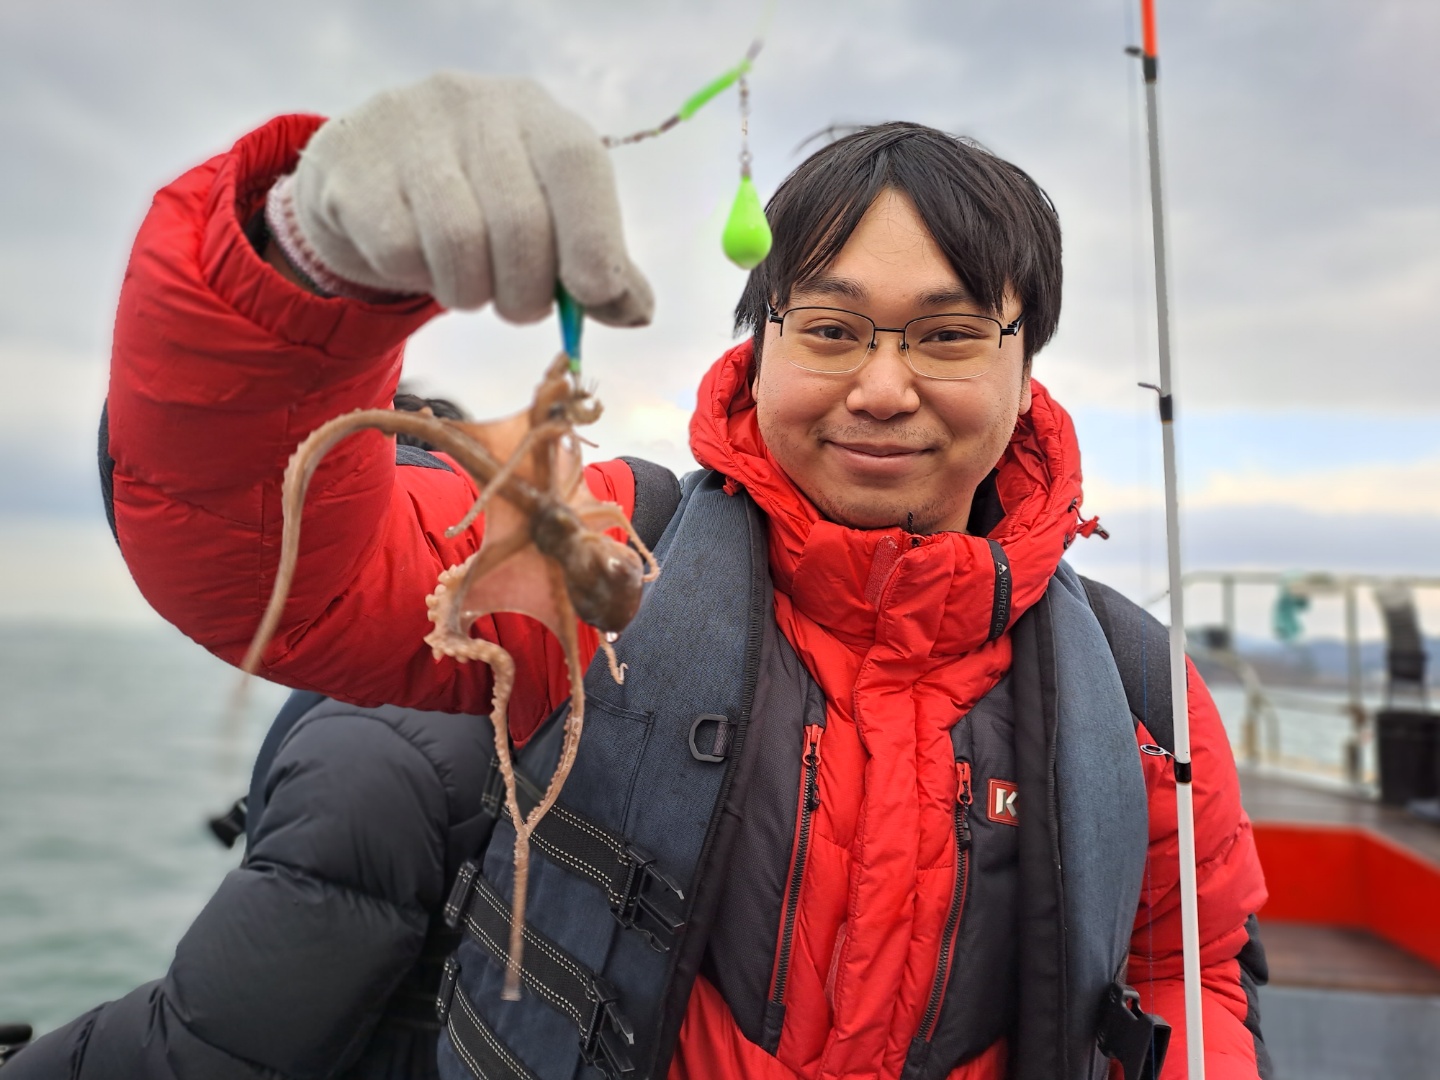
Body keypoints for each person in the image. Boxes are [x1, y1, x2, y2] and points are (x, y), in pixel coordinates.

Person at [10, 73, 1268, 1079]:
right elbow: (281, 573)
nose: (884, 389)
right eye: (832, 330)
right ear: (759, 346)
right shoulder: (616, 548)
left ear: (1024, 366)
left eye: (946, 336)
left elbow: (1189, 968)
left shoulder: (1141, 692)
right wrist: (299, 263)